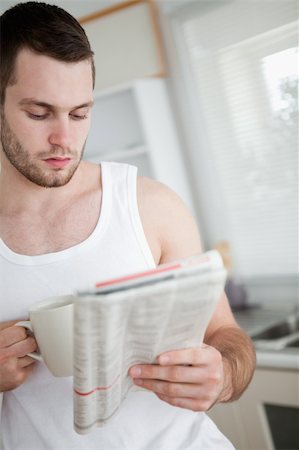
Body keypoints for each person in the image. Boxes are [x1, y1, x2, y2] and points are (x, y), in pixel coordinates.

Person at [0, 2, 255, 449]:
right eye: (40, 114)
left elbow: (226, 336)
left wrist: (223, 375)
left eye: (79, 113)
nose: (66, 138)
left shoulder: (151, 206)